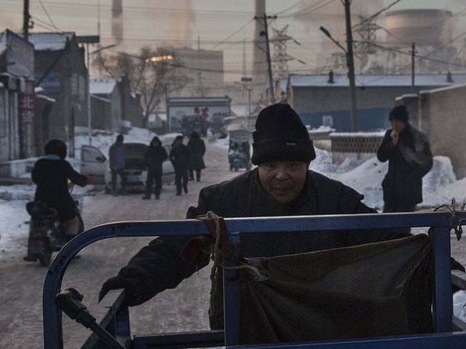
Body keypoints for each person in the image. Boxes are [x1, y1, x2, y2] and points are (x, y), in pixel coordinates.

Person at [98, 102, 402, 307]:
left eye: (294, 165)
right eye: (271, 166)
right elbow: (179, 248)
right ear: (257, 165)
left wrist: (436, 263)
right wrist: (134, 281)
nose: (282, 175)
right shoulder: (223, 202)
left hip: (319, 327)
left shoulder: (337, 200)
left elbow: (388, 242)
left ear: (308, 164)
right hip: (246, 332)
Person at [377, 105, 433, 213]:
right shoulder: (390, 135)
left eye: (397, 122)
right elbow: (381, 156)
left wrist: (413, 178)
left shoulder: (416, 137)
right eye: (392, 122)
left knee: (403, 225)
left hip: (408, 192)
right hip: (391, 190)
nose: (394, 125)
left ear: (404, 121)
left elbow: (426, 162)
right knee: (386, 224)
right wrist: (392, 144)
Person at [30, 139, 89, 239]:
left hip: (41, 202)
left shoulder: (40, 163)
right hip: (61, 203)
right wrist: (86, 180)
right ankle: (69, 247)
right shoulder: (63, 165)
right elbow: (77, 178)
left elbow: (35, 179)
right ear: (63, 152)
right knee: (73, 221)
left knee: (35, 220)